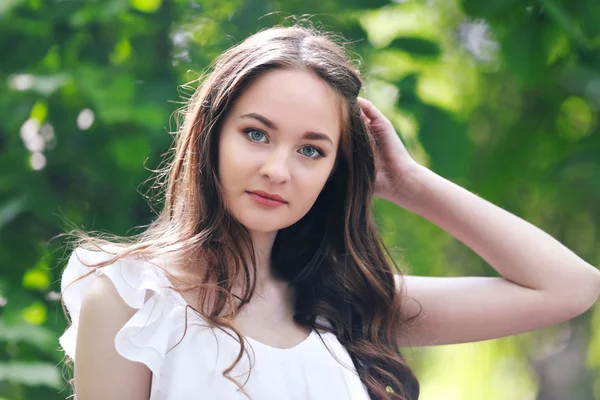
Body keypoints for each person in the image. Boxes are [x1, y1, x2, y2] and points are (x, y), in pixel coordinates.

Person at [58, 24, 600, 400]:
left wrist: (410, 183)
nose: (278, 169)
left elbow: (570, 287)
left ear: (335, 172)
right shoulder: (135, 298)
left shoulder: (342, 304)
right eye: (256, 134)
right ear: (209, 135)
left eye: (312, 150)